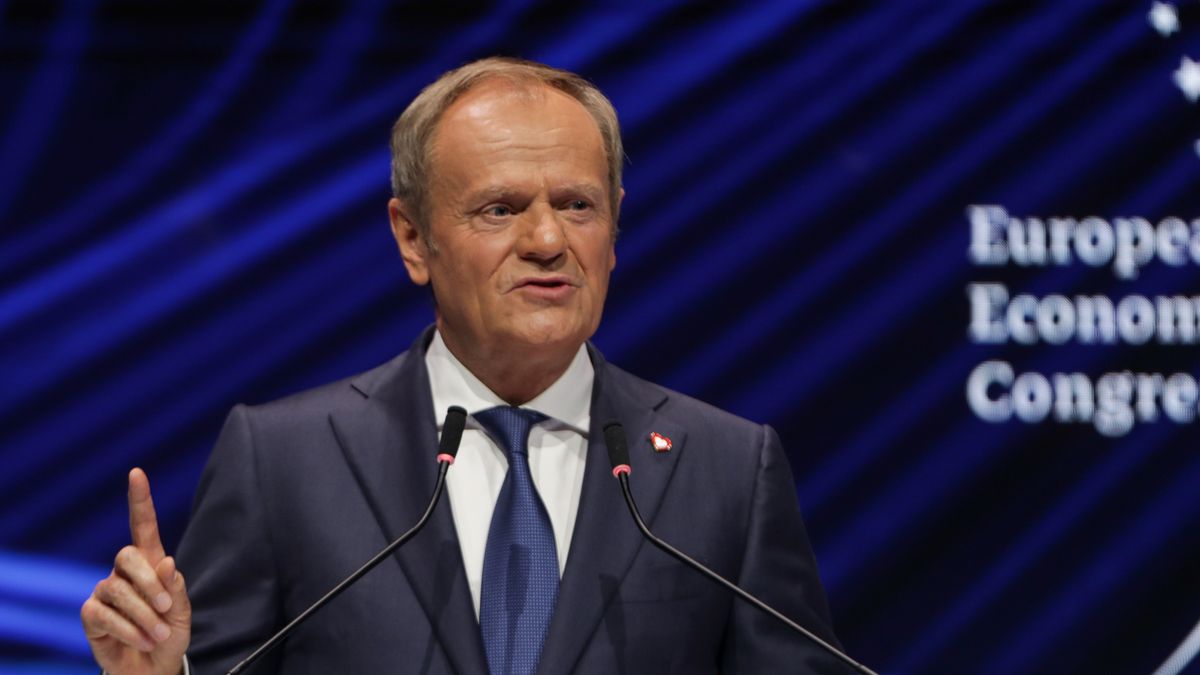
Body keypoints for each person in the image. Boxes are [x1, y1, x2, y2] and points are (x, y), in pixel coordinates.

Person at [80, 56, 847, 674]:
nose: (548, 239)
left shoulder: (727, 468)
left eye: (578, 205)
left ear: (614, 231)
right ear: (413, 238)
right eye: (501, 208)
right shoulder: (285, 460)